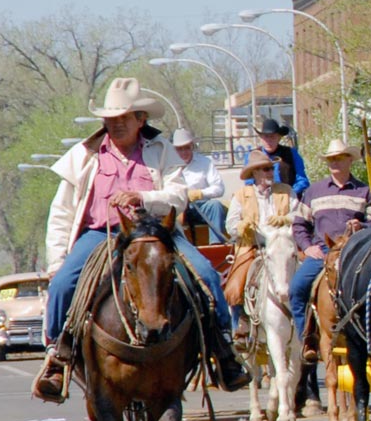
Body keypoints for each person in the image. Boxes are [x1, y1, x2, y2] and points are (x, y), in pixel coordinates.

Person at [33, 79, 247, 402]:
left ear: (140, 120)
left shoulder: (162, 150)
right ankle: (57, 357)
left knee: (205, 274)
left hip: (156, 234)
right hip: (101, 234)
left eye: (123, 118)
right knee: (62, 284)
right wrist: (56, 259)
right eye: (110, 119)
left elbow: (177, 198)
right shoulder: (85, 155)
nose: (115, 125)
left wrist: (143, 197)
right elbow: (61, 212)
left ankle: (223, 351)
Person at [289, 138, 367, 387]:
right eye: (331, 159)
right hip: (323, 253)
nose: (335, 163)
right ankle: (309, 340)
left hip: (354, 253)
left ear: (349, 160)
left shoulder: (363, 190)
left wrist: (362, 226)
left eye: (339, 158)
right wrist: (307, 246)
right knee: (297, 289)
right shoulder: (313, 191)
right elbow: (299, 225)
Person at [225, 152, 300, 250]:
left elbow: (299, 216)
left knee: (305, 263)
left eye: (272, 169)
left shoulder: (287, 191)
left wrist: (285, 219)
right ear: (255, 172)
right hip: (251, 247)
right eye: (266, 169)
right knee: (242, 265)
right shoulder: (240, 195)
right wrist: (241, 226)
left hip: (283, 246)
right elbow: (230, 226)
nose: (271, 173)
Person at [166, 128, 228, 243]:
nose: (184, 152)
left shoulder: (205, 162)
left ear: (192, 146)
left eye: (187, 147)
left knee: (215, 205)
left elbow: (219, 188)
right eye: (179, 149)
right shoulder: (167, 165)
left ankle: (216, 246)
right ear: (173, 149)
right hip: (177, 207)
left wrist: (200, 193)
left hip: (200, 206)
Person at [254, 119, 308, 197]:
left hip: (289, 200)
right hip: (262, 200)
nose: (269, 140)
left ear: (279, 138)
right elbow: (249, 182)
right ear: (261, 138)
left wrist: (290, 193)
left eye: (272, 137)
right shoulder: (253, 155)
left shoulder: (292, 153)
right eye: (266, 137)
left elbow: (302, 180)